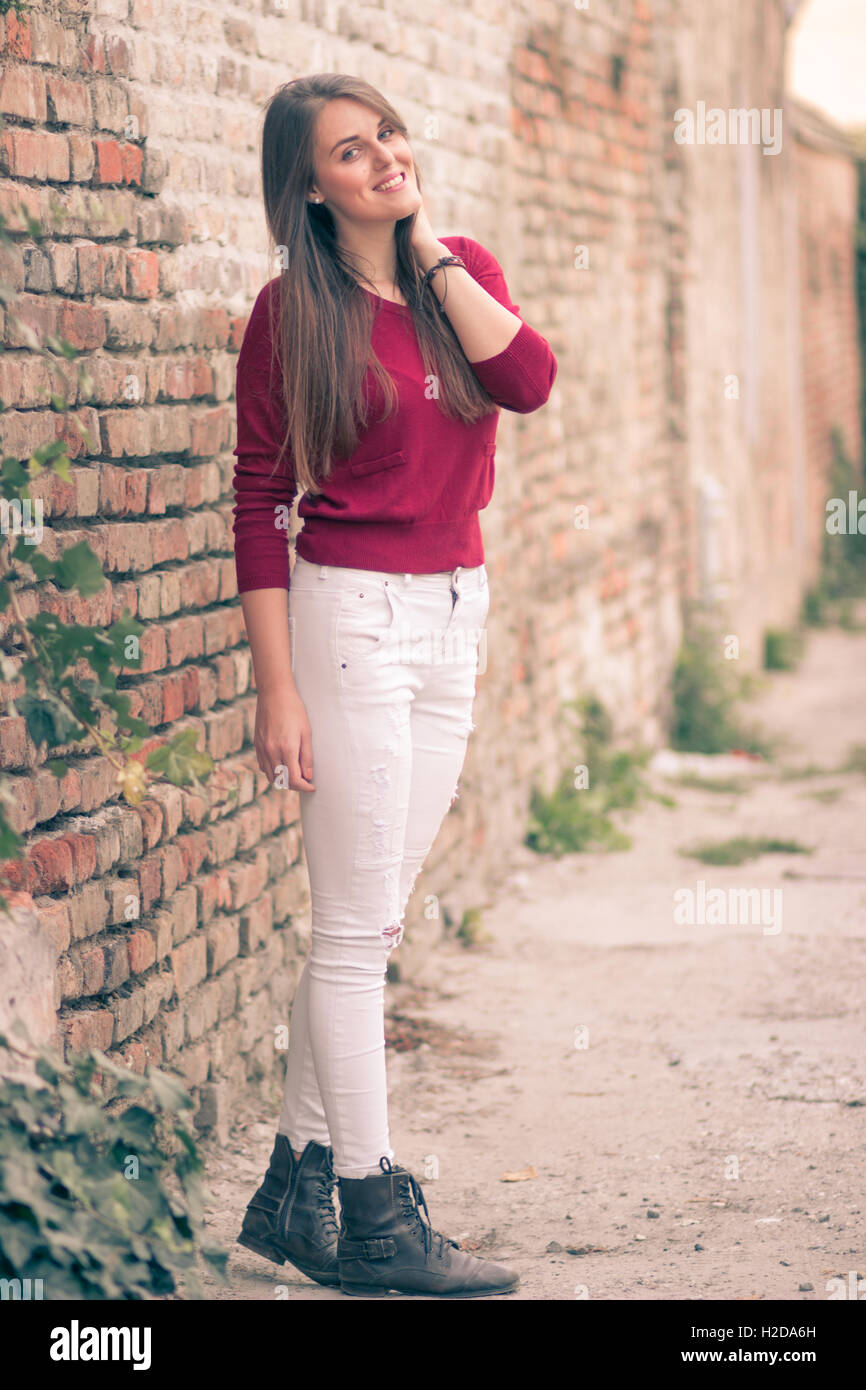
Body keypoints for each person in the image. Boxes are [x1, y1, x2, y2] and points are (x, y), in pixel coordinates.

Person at [232, 73, 557, 1298]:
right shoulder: (290, 315)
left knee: (373, 923)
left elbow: (525, 382)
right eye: (349, 152)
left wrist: (425, 252)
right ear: (310, 185)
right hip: (349, 618)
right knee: (352, 929)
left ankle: (290, 1191)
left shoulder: (455, 269)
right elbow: (260, 500)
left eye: (388, 139)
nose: (381, 160)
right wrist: (278, 689)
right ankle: (371, 1215)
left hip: (453, 613)